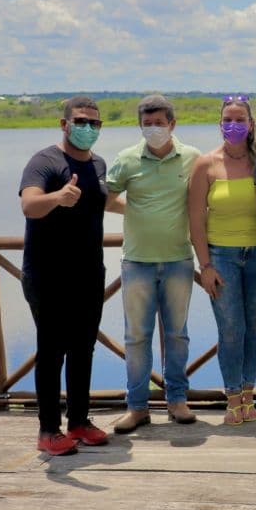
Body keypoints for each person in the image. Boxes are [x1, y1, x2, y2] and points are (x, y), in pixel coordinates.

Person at [18, 96, 111, 455]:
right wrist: (58, 197)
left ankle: (78, 422)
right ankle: (48, 430)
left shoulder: (99, 164)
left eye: (94, 123)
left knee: (83, 348)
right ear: (64, 124)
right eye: (81, 121)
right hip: (47, 273)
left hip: (89, 272)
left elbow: (107, 201)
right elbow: (29, 205)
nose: (88, 128)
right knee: (52, 350)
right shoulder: (44, 161)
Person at [106, 95, 201, 432]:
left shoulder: (192, 158)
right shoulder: (127, 159)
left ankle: (177, 401)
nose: (154, 129)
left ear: (172, 124)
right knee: (136, 337)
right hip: (137, 262)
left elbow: (205, 197)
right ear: (140, 126)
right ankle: (137, 407)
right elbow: (106, 196)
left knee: (177, 335)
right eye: (148, 124)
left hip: (178, 260)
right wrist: (133, 209)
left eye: (160, 123)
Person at [188, 96, 256, 426]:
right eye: (227, 120)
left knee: (254, 328)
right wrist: (204, 265)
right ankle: (233, 397)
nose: (233, 125)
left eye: (240, 119)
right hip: (221, 256)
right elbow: (195, 220)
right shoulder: (205, 164)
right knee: (230, 329)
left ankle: (249, 396)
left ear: (251, 123)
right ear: (219, 123)